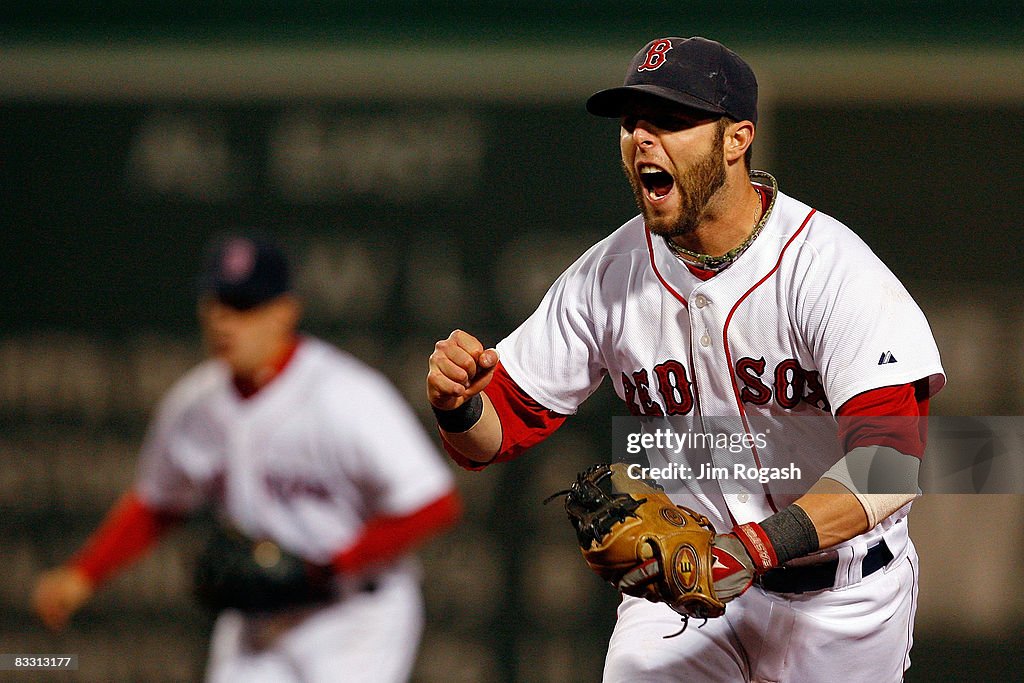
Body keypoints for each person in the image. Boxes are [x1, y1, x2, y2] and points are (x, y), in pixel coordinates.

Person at [426, 36, 943, 682]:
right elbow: (492, 436)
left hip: (841, 600)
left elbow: (890, 462)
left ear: (737, 140)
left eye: (670, 120)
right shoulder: (607, 277)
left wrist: (752, 547)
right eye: (632, 122)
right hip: (688, 601)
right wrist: (459, 404)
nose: (643, 138)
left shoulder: (829, 271)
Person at [34, 232, 462, 683]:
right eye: (215, 303)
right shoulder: (194, 405)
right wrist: (83, 574)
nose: (223, 322)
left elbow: (433, 503)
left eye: (243, 305)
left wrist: (326, 568)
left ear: (284, 313)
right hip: (258, 619)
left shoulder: (345, 396)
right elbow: (158, 504)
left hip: (353, 618)